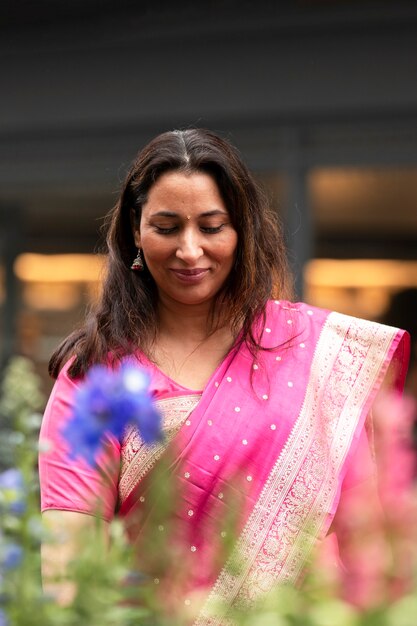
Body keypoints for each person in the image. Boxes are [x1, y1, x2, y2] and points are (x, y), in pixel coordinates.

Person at [39, 129, 410, 622]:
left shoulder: (313, 352)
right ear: (134, 231)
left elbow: (367, 541)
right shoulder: (98, 376)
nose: (190, 250)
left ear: (242, 231)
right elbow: (68, 568)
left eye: (212, 227)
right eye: (167, 227)